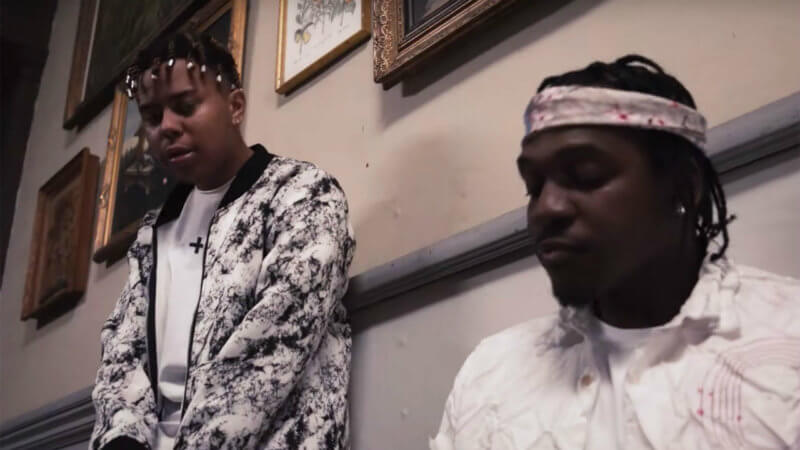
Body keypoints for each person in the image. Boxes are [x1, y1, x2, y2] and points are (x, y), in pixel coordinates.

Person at [431, 55, 800, 449]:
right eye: (534, 187)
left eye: (586, 176)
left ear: (683, 188)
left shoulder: (786, 343)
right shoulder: (490, 374)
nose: (546, 208)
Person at [90, 31, 355, 450]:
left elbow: (269, 357)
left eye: (185, 107)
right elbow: (121, 356)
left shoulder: (304, 194)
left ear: (235, 107)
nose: (167, 127)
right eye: (153, 116)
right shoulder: (151, 235)